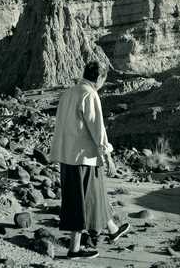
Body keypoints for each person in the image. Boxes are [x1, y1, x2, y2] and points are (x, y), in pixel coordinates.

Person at [49, 60, 130, 259]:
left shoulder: (68, 93)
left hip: (68, 156)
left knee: (94, 193)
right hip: (83, 158)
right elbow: (97, 128)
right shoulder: (89, 94)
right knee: (81, 201)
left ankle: (112, 229)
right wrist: (108, 155)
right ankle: (74, 249)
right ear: (100, 78)